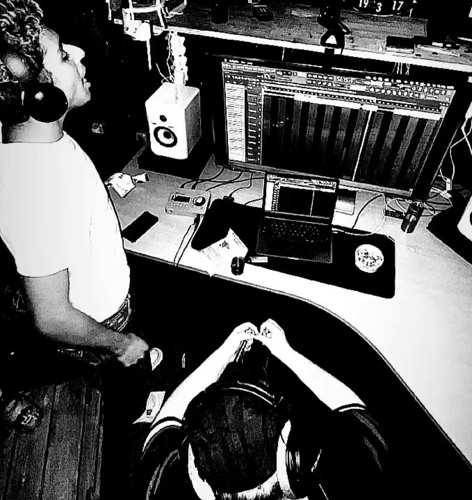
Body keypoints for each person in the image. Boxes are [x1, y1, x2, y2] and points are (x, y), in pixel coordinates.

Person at [0, 0, 150, 432]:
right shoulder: (36, 187)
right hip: (102, 319)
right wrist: (120, 344)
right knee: (129, 378)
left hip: (100, 296)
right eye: (64, 56)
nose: (80, 54)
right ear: (39, 96)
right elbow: (52, 318)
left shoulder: (36, 141)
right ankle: (132, 420)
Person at [139, 319, 390, 500]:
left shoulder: (161, 486)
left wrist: (225, 353)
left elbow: (166, 420)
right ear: (292, 461)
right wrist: (286, 352)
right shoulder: (357, 484)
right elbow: (352, 408)